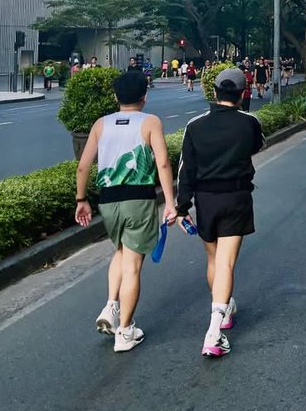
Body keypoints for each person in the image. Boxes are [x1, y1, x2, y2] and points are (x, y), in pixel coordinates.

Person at [74, 70, 176, 352]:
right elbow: (163, 163)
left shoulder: (101, 124)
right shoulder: (150, 122)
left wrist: (81, 199)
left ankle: (111, 306)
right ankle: (125, 330)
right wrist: (170, 202)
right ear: (144, 97)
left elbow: (83, 166)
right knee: (133, 264)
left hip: (108, 201)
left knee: (120, 250)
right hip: (138, 199)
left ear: (116, 96)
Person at [175, 67, 265, 358]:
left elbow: (185, 169)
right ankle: (214, 331)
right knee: (226, 262)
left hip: (205, 199)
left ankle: (224, 311)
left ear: (213, 92)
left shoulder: (195, 125)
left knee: (214, 259)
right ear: (242, 94)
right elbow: (258, 145)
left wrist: (181, 207)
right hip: (237, 195)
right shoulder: (249, 122)